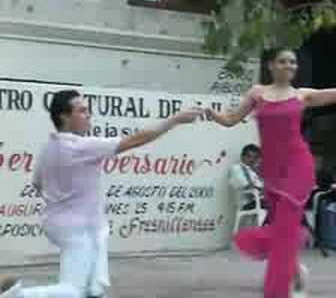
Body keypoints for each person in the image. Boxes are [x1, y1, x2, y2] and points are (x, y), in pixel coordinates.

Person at [206, 49, 336, 298]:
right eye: (283, 61)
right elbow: (230, 119)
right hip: (271, 170)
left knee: (284, 233)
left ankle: (277, 292)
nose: (289, 65)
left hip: (297, 167)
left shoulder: (303, 96)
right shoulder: (257, 93)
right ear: (271, 65)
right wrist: (212, 115)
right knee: (281, 230)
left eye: (293, 62)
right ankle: (296, 273)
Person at [0, 90, 202, 298]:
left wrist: (62, 203)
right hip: (79, 228)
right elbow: (136, 139)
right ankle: (17, 295)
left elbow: (37, 183)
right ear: (64, 116)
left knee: (93, 289)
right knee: (74, 291)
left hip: (67, 225)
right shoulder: (79, 146)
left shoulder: (49, 147)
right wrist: (175, 119)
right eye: (82, 111)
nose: (88, 115)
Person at [229, 144, 265, 210]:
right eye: (249, 156)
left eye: (255, 157)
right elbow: (246, 185)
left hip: (260, 200)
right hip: (248, 203)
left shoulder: (255, 170)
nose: (252, 160)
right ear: (242, 157)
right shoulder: (236, 168)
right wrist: (261, 189)